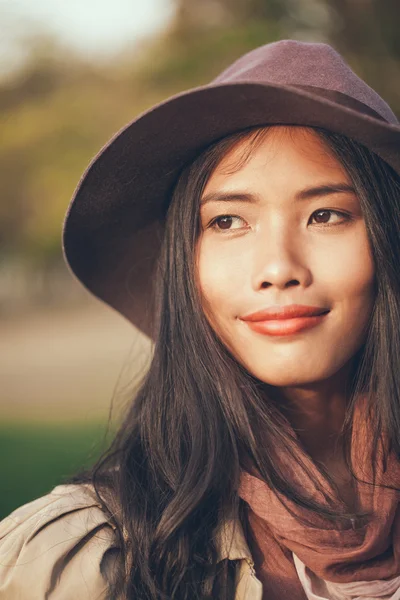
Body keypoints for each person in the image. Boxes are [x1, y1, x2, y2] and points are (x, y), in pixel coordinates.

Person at [1, 39, 400, 600]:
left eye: (326, 214)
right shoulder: (78, 562)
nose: (278, 268)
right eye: (229, 221)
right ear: (186, 265)